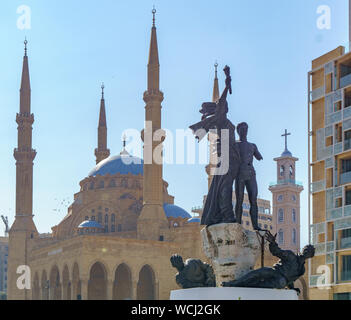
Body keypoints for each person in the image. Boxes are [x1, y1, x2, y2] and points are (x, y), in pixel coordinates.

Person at [189, 66, 240, 226]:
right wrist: (226, 84)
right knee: (221, 188)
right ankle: (226, 216)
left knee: (222, 187)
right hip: (224, 158)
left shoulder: (225, 121)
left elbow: (222, 103)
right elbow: (222, 101)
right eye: (220, 106)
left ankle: (225, 216)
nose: (223, 106)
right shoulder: (220, 119)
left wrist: (227, 83)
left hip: (231, 157)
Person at [222, 231, 315, 294]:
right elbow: (277, 252)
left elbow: (290, 279)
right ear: (302, 250)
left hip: (281, 281)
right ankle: (234, 284)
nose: (307, 252)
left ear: (311, 256)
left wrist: (292, 288)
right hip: (275, 271)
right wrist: (272, 243)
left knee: (277, 283)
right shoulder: (291, 256)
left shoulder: (302, 270)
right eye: (306, 250)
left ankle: (245, 288)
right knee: (259, 273)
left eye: (309, 252)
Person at [234, 122, 263, 230]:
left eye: (246, 129)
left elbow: (259, 156)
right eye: (242, 129)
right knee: (239, 200)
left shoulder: (252, 146)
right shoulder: (235, 144)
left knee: (253, 199)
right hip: (239, 174)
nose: (244, 131)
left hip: (251, 173)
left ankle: (255, 225)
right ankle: (237, 224)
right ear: (238, 131)